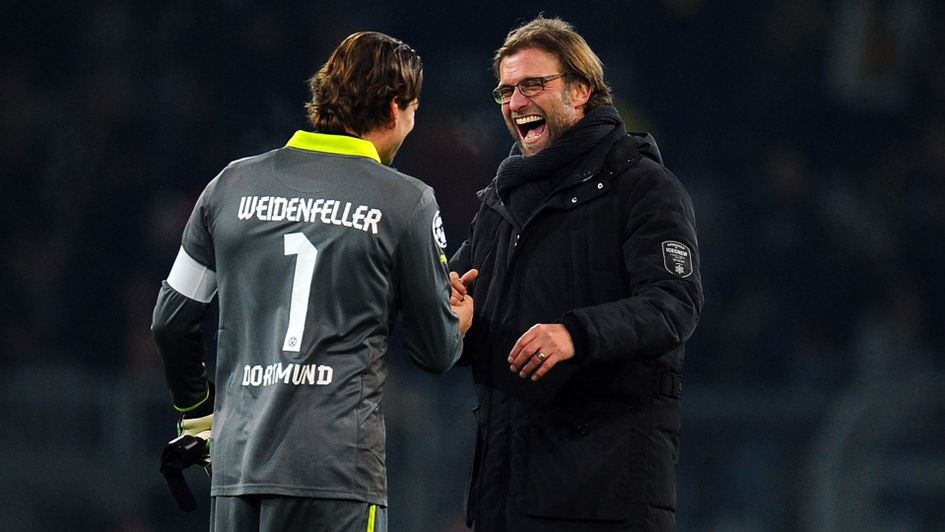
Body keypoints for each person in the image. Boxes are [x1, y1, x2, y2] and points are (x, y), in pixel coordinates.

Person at [151, 31, 472, 532]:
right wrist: (457, 320)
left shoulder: (229, 185)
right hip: (337, 475)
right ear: (395, 108)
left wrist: (198, 415)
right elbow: (435, 351)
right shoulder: (407, 201)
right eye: (414, 110)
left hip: (238, 470)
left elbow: (170, 323)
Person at [449, 16, 703, 532]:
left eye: (533, 85)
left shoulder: (643, 187)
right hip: (506, 495)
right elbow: (459, 302)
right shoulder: (501, 202)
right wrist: (456, 314)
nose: (516, 102)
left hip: (605, 496)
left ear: (581, 90)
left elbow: (674, 305)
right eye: (506, 91)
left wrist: (576, 333)